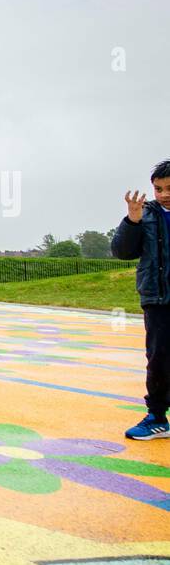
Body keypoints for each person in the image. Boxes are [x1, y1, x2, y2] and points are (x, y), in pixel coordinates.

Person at [112, 160, 170, 440]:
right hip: (158, 298)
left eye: (169, 188)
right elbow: (122, 252)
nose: (163, 194)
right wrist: (132, 221)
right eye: (158, 189)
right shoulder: (145, 215)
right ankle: (157, 418)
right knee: (159, 358)